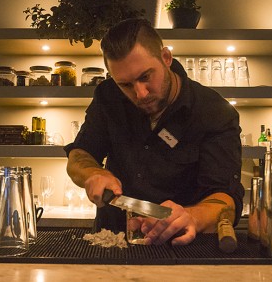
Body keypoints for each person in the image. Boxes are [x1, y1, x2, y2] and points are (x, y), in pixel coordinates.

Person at [64, 18, 244, 246]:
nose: (140, 94)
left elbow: (225, 199)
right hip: (112, 243)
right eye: (126, 85)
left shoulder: (212, 111)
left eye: (145, 77)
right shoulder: (108, 96)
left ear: (166, 58)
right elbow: (79, 155)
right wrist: (93, 173)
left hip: (183, 249)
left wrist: (193, 217)